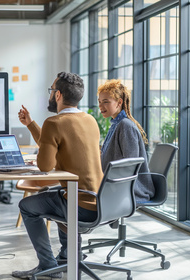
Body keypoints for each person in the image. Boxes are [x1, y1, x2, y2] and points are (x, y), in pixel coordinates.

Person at [12, 72, 103, 279]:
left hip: (80, 204)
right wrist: (31, 124)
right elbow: (57, 142)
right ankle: (65, 257)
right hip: (101, 200)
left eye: (51, 90)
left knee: (27, 206)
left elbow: (45, 165)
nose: (50, 94)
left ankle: (47, 265)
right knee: (58, 193)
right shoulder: (90, 120)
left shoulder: (55, 122)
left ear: (58, 94)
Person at [97, 79, 153, 202]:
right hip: (115, 185)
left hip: (130, 190)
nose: (100, 106)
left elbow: (130, 165)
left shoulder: (125, 126)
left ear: (119, 102)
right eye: (99, 102)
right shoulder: (116, 124)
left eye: (105, 102)